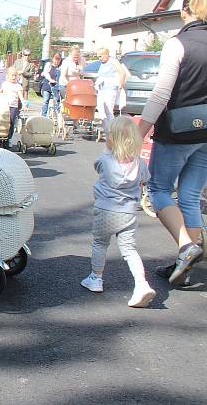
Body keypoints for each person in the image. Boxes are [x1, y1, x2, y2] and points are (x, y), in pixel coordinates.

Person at [136, 0, 207, 286]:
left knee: (159, 190)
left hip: (177, 132)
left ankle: (186, 248)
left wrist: (139, 132)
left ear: (184, 12)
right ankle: (186, 264)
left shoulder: (177, 44)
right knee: (190, 196)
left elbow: (161, 94)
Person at [80, 116, 155, 308]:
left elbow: (97, 166)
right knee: (129, 250)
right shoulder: (139, 163)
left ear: (111, 139)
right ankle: (141, 283)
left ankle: (96, 278)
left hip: (106, 210)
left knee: (100, 243)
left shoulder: (105, 160)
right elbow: (146, 178)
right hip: (129, 212)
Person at [94, 47, 127, 136]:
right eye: (98, 57)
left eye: (100, 56)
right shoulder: (102, 64)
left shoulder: (113, 61)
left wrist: (120, 84)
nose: (99, 58)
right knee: (100, 108)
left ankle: (111, 131)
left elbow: (122, 73)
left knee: (108, 109)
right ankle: (106, 129)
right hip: (102, 88)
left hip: (110, 88)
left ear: (106, 55)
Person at [0, 67, 23, 147]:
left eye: (15, 75)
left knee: (11, 123)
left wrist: (25, 104)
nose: (14, 77)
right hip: (4, 106)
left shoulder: (18, 86)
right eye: (12, 75)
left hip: (13, 107)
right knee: (1, 121)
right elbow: (1, 91)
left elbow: (21, 97)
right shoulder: (5, 84)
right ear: (7, 76)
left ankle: (8, 139)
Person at [40, 52, 62, 118]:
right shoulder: (49, 65)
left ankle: (56, 117)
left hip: (55, 87)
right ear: (53, 58)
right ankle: (43, 116)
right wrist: (50, 79)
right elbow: (46, 73)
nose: (57, 61)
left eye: (58, 59)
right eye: (56, 59)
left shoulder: (60, 68)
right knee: (45, 101)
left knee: (56, 101)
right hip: (47, 86)